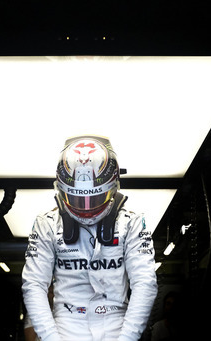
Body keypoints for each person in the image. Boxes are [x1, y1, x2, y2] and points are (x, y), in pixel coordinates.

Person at [22, 135, 158, 341]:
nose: (86, 207)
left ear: (113, 187)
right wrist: (51, 338)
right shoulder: (46, 224)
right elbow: (34, 284)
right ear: (61, 189)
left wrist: (128, 338)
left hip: (119, 328)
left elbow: (145, 282)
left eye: (94, 197)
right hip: (64, 329)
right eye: (77, 198)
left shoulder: (132, 223)